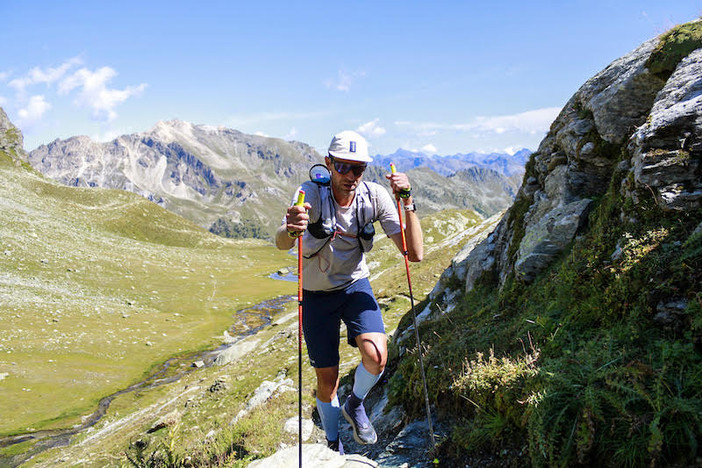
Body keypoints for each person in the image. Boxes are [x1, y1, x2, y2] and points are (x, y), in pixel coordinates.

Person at [275, 130, 423, 454]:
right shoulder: (309, 194)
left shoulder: (376, 197)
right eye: (343, 166)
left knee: (377, 355)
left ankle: (354, 405)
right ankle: (332, 441)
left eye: (358, 168)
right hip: (316, 294)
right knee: (327, 381)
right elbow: (281, 242)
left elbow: (415, 254)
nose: (351, 176)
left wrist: (407, 201)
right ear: (329, 164)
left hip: (355, 284)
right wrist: (289, 228)